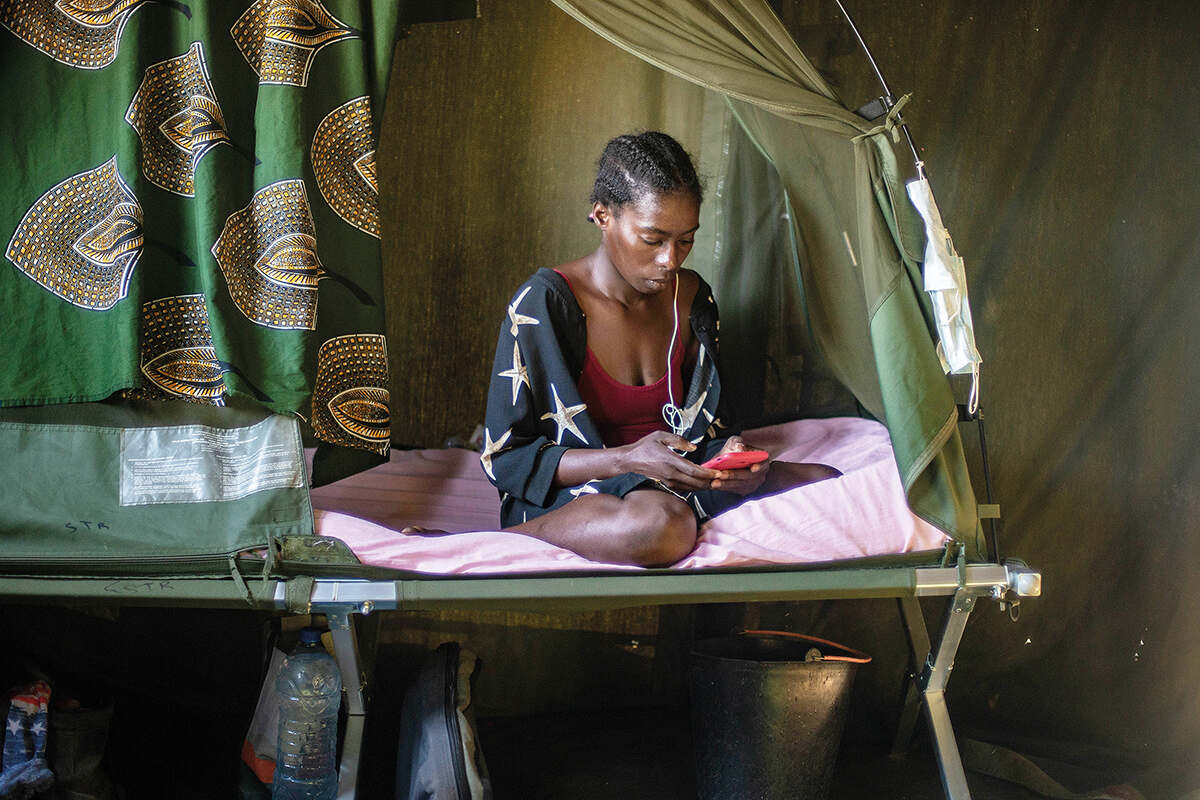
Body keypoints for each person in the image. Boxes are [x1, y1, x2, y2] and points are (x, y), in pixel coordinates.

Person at [477, 131, 838, 567]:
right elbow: (507, 458)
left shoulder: (692, 299)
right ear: (602, 215)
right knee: (660, 525)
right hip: (584, 494)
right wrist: (628, 459)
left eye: (685, 240)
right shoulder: (546, 304)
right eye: (653, 240)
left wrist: (733, 461)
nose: (671, 260)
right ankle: (505, 541)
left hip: (680, 479)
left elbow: (711, 428)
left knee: (827, 484)